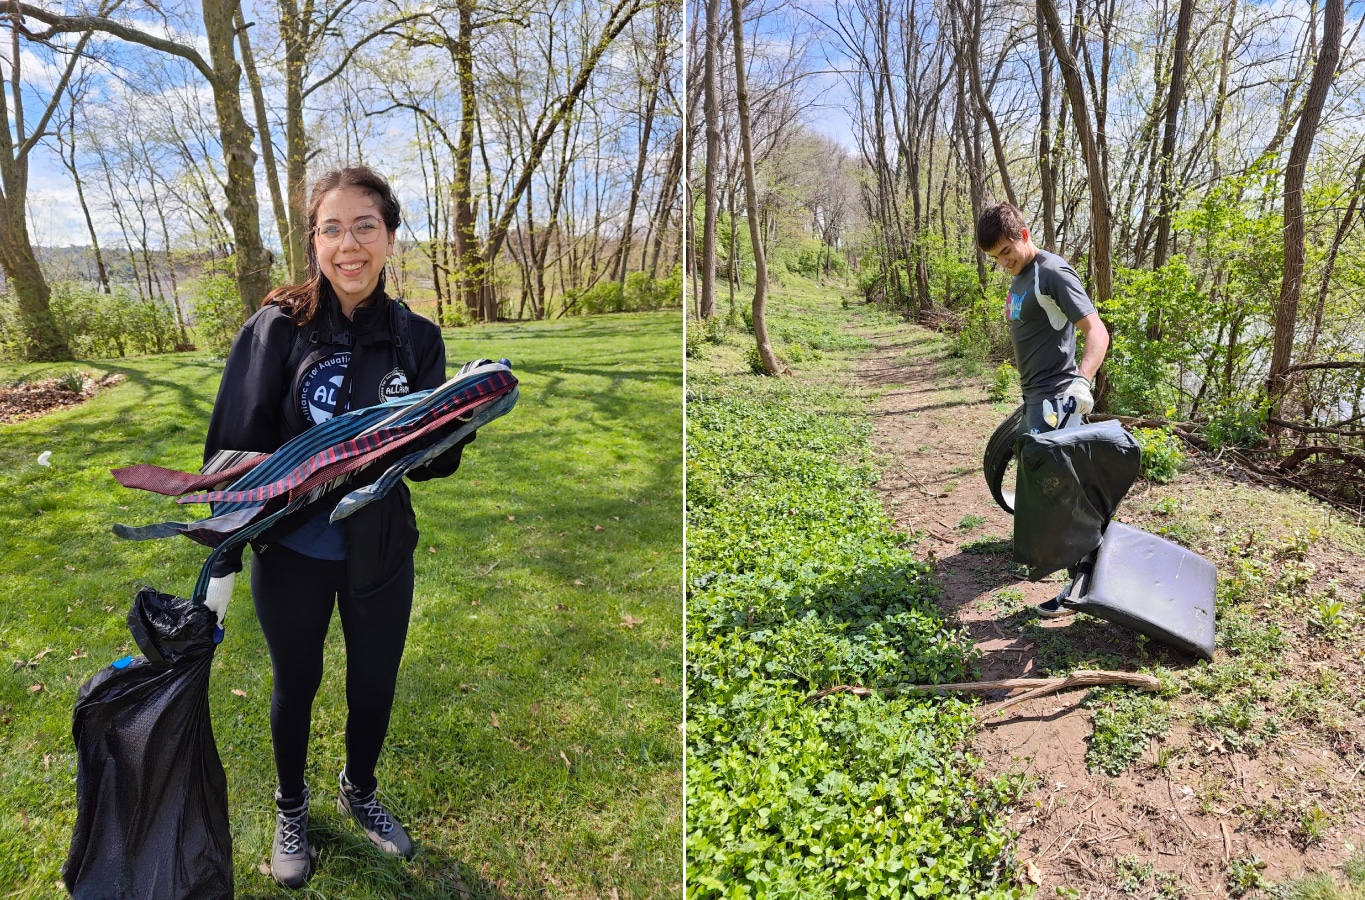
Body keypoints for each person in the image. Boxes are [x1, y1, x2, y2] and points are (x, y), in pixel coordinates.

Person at [201, 166, 472, 887]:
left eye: (364, 226)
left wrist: (452, 429)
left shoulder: (416, 337)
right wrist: (232, 536)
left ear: (387, 236)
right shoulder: (278, 329)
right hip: (291, 548)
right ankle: (293, 805)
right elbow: (233, 446)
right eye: (331, 228)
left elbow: (429, 469)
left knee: (374, 680)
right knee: (298, 678)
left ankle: (360, 788)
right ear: (313, 240)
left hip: (380, 549)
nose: (347, 244)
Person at [975, 201, 1110, 617]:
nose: (1002, 262)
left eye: (1005, 252)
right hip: (1035, 399)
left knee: (1065, 494)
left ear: (1024, 234)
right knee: (1048, 489)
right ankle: (1060, 557)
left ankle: (1081, 587)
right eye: (994, 257)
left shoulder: (1052, 272)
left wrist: (1082, 380)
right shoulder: (1020, 275)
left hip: (1058, 401)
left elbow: (1097, 332)